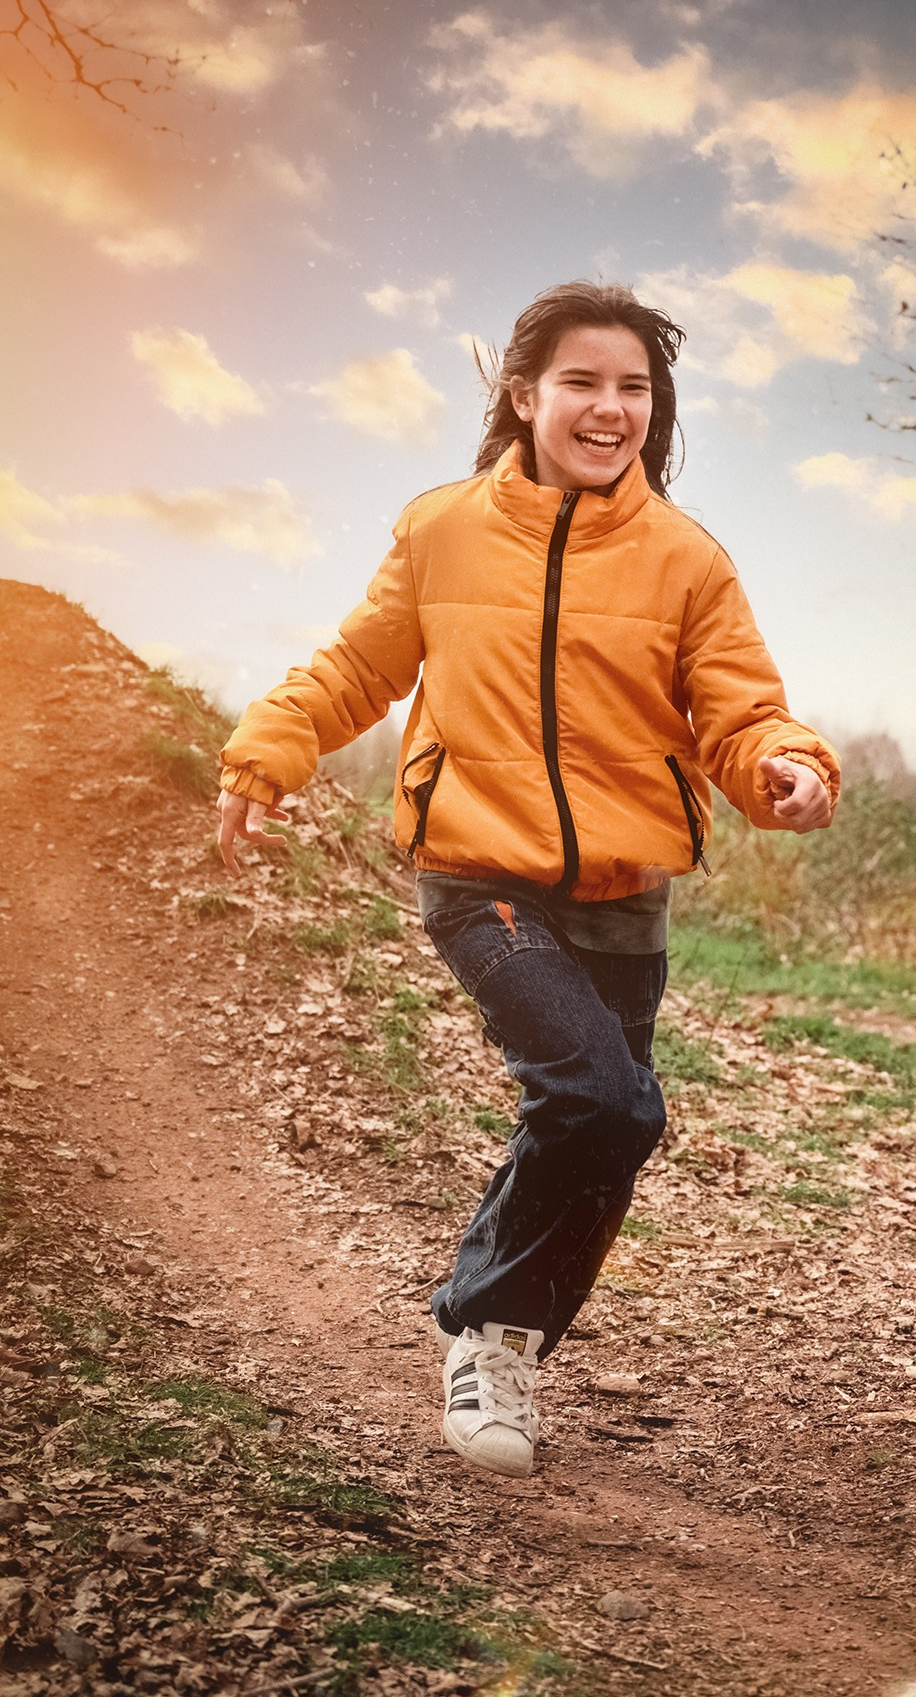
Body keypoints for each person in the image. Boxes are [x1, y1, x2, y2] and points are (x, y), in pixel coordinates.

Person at [217, 280, 839, 1480]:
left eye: (635, 390)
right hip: (475, 870)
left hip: (624, 890)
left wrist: (785, 772)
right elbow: (359, 667)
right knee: (608, 1103)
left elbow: (742, 715)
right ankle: (485, 1331)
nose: (611, 411)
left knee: (604, 1125)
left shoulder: (686, 560)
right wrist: (272, 747)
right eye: (583, 384)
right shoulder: (443, 528)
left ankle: (501, 1336)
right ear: (523, 395)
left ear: (656, 411)